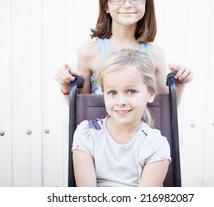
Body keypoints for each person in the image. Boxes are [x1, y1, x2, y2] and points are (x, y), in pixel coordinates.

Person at [56, 0, 192, 104]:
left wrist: (180, 84)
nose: (127, 4)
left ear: (146, 2)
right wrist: (66, 87)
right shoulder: (89, 53)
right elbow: (81, 112)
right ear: (106, 5)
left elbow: (164, 112)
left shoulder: (155, 54)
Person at [72, 49, 171, 187]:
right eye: (112, 92)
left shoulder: (155, 145)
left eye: (131, 91)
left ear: (150, 94)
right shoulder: (87, 134)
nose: (121, 101)